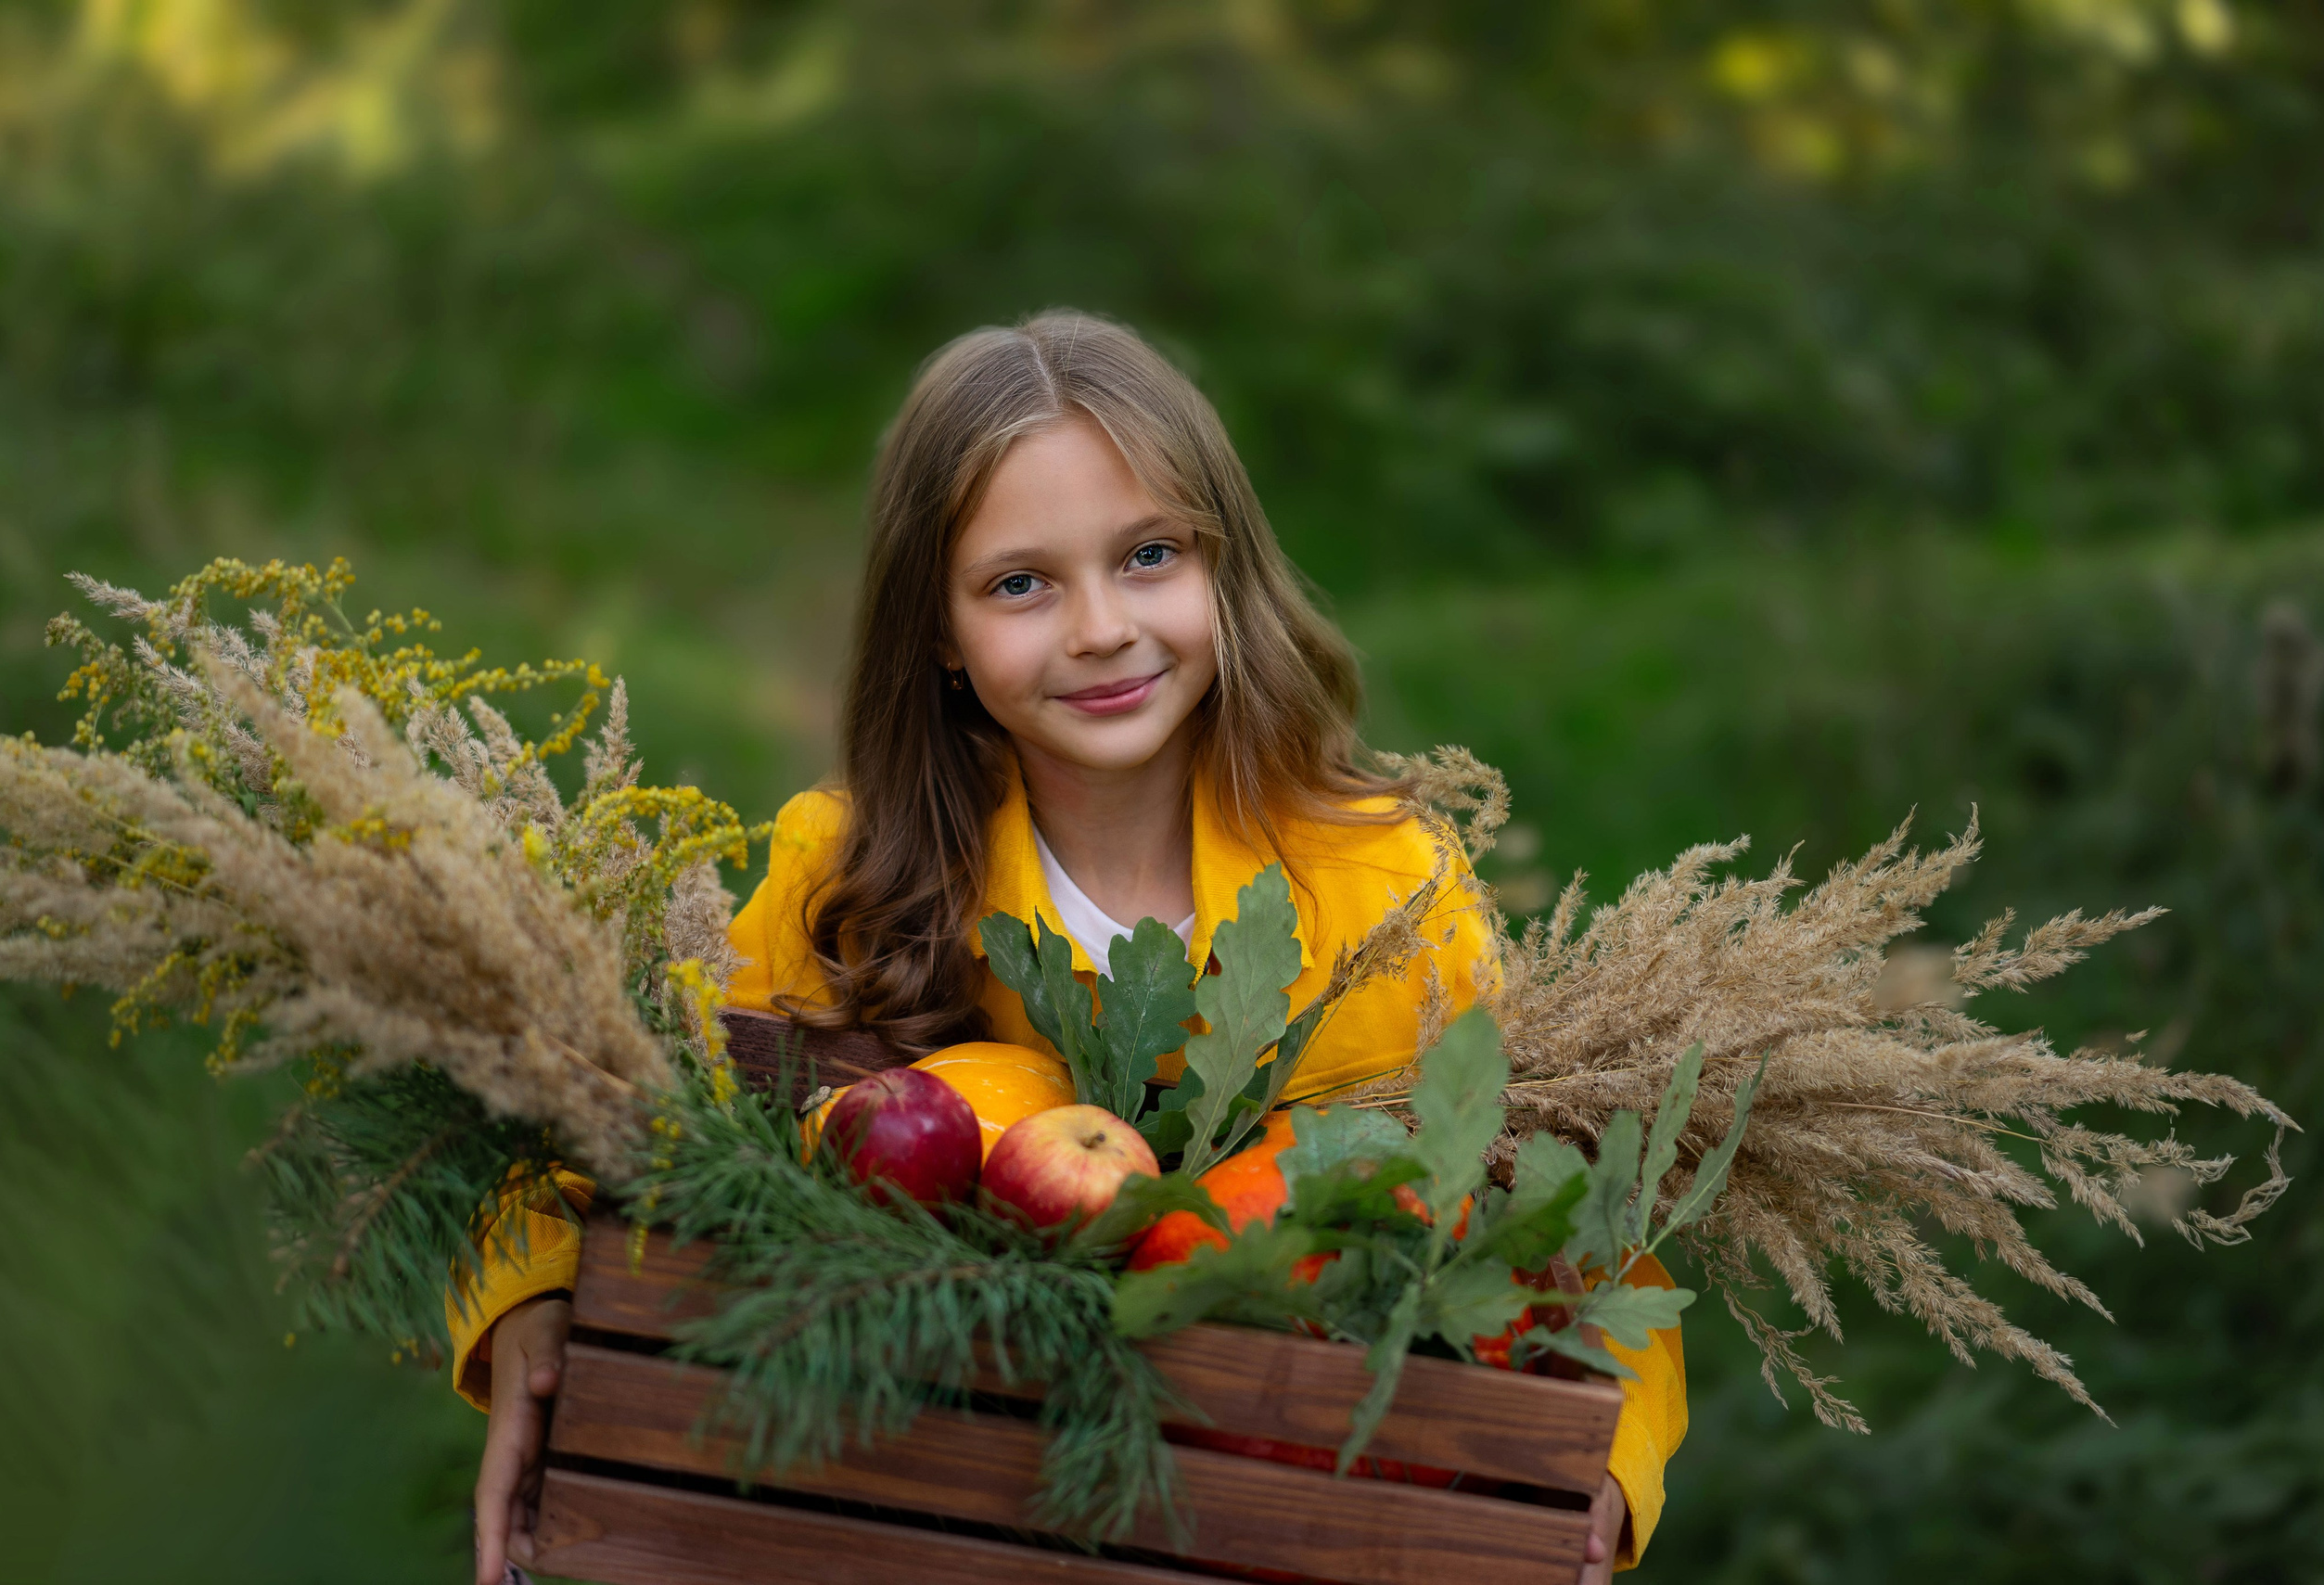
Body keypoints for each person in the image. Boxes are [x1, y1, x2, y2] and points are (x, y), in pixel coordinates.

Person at [460, 312, 1686, 1584]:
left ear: (1224, 569)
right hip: (918, 1517)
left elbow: (1566, 1216)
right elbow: (634, 1118)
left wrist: (1601, 1465)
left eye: (1149, 555)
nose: (1101, 628)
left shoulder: (1385, 886)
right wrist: (530, 1298)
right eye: (1020, 584)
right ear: (937, 631)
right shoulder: (847, 873)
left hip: (1277, 1525)